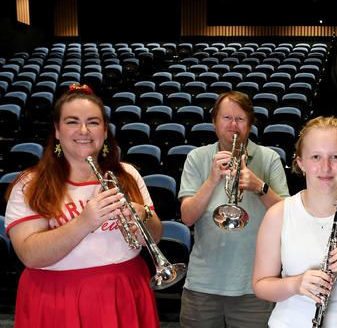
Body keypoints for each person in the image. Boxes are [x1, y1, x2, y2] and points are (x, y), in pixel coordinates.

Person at [3, 83, 161, 328]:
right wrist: (85, 221)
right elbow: (30, 255)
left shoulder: (128, 174)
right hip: (57, 297)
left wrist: (144, 218)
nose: (84, 130)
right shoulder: (29, 184)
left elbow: (156, 235)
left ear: (105, 131)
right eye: (72, 121)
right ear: (57, 130)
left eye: (94, 122)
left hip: (126, 289)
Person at [252, 116, 337, 328]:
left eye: (335, 156)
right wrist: (295, 285)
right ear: (301, 162)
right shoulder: (278, 214)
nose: (325, 167)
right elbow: (261, 286)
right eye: (315, 156)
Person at [178, 90, 290, 328]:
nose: (233, 125)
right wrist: (211, 180)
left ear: (249, 124)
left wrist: (260, 187)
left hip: (255, 284)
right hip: (203, 284)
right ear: (214, 122)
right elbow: (187, 217)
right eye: (226, 118)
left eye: (240, 119)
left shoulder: (268, 158)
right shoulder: (197, 158)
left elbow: (287, 216)